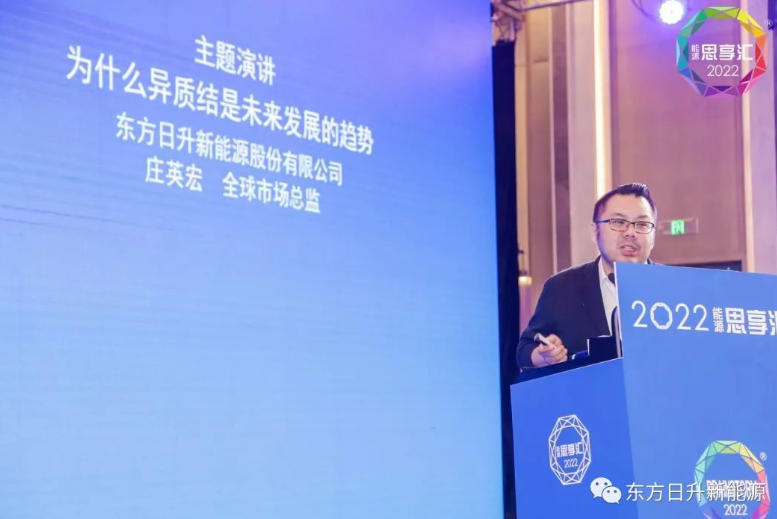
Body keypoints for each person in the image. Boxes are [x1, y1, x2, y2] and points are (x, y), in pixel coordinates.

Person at [515, 183, 658, 369]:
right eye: (618, 222)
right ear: (594, 231)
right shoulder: (561, 288)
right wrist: (543, 356)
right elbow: (525, 349)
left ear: (653, 236)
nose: (631, 233)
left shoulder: (677, 287)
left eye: (642, 224)